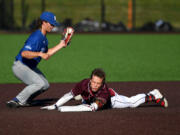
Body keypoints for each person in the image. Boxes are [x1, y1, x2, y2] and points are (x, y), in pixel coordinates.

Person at [6, 11, 74, 108]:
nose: (53, 26)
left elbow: (47, 53)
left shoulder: (44, 38)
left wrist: (61, 45)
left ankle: (26, 100)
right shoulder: (36, 36)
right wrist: (40, 54)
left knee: (45, 85)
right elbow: (24, 53)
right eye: (51, 24)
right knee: (39, 83)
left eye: (54, 24)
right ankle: (16, 100)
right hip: (20, 66)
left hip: (29, 66)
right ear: (44, 22)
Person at [41, 68, 168, 112]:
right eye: (94, 82)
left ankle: (152, 95)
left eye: (98, 83)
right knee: (79, 97)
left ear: (102, 83)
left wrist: (66, 109)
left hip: (111, 100)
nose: (95, 85)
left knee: (132, 103)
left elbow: (93, 108)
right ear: (90, 80)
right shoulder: (84, 83)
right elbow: (69, 95)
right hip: (92, 99)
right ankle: (84, 97)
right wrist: (55, 105)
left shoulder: (104, 91)